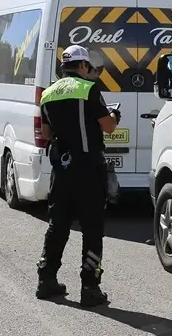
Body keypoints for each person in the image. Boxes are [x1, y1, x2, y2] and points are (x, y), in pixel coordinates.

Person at [35, 44, 122, 307]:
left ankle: (46, 279)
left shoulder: (47, 94)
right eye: (88, 67)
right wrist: (114, 114)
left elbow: (47, 135)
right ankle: (89, 286)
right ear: (83, 66)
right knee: (92, 228)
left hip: (61, 170)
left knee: (58, 225)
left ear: (64, 67)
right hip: (88, 170)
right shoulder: (89, 89)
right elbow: (108, 127)